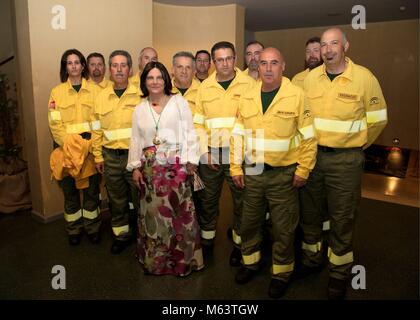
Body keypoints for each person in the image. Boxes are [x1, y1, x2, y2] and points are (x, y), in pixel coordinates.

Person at [298, 27, 388, 299]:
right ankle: (312, 260)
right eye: (324, 44)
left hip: (345, 160)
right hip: (314, 157)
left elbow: (379, 118)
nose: (327, 49)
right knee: (311, 214)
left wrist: (357, 144)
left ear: (345, 46)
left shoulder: (363, 77)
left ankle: (339, 272)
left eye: (333, 43)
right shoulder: (310, 79)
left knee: (342, 217)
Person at [230, 47, 317, 298]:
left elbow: (309, 138)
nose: (267, 68)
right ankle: (250, 263)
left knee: (283, 228)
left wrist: (304, 169)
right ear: (257, 66)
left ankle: (281, 273)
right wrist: (235, 166)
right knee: (249, 223)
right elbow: (237, 135)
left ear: (283, 66)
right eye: (263, 63)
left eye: (274, 63)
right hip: (253, 171)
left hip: (284, 175)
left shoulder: (297, 95)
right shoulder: (247, 96)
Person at [127, 61, 204, 276]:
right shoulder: (139, 108)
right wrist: (135, 167)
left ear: (166, 80)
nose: (155, 82)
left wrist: (191, 162)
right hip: (150, 171)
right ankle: (156, 262)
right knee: (154, 216)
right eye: (150, 78)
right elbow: (135, 139)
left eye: (159, 77)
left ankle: (182, 263)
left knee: (179, 215)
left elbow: (190, 131)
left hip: (176, 167)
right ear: (144, 82)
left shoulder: (179, 102)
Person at [194, 41, 255, 267]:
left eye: (229, 58)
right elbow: (198, 123)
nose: (225, 63)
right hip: (211, 154)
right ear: (213, 62)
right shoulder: (204, 87)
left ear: (235, 58)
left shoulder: (249, 84)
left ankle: (239, 245)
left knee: (242, 202)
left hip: (240, 155)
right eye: (219, 59)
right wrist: (203, 152)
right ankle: (207, 242)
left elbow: (254, 121)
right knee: (208, 201)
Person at [48, 49, 101, 246]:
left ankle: (92, 228)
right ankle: (74, 229)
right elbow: (55, 124)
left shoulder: (96, 91)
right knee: (70, 193)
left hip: (89, 151)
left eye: (77, 62)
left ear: (82, 66)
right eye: (69, 63)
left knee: (91, 193)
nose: (73, 66)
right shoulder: (57, 92)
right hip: (66, 152)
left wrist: (88, 147)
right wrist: (71, 146)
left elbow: (98, 123)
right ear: (65, 67)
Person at [91, 50, 141, 254]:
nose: (119, 69)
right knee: (116, 199)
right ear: (109, 70)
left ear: (129, 69)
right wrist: (97, 155)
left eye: (123, 65)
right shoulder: (101, 97)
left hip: (135, 157)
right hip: (110, 157)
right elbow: (96, 129)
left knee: (140, 198)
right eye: (114, 65)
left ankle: (144, 236)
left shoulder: (141, 95)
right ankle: (121, 235)